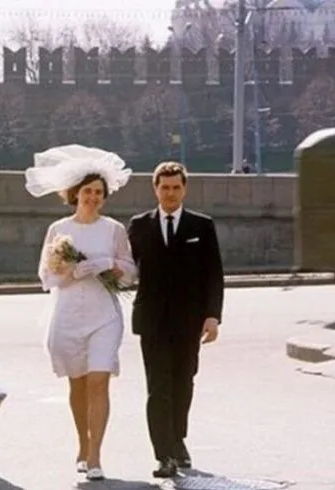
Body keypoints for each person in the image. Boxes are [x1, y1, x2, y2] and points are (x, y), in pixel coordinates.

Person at [25, 144, 136, 481]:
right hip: (69, 314)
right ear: (75, 193)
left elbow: (130, 272)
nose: (92, 197)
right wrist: (71, 273)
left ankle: (96, 454)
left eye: (98, 192)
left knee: (99, 380)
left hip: (104, 316)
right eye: (87, 191)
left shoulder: (114, 229)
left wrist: (108, 264)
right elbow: (46, 276)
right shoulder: (59, 229)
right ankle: (82, 446)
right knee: (78, 383)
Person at [127, 161, 224, 478]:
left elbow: (214, 274)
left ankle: (178, 439)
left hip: (189, 322)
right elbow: (125, 267)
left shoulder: (202, 226)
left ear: (185, 189)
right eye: (165, 187)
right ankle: (164, 454)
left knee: (183, 383)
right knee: (159, 388)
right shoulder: (139, 225)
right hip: (152, 321)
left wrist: (212, 316)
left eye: (176, 187)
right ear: (155, 189)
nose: (170, 193)